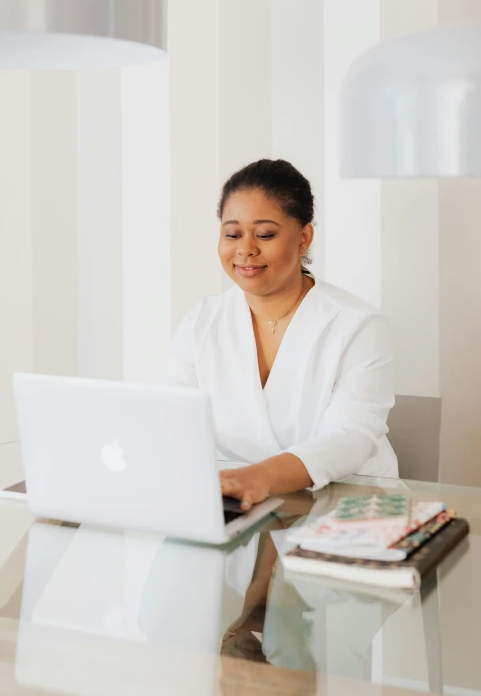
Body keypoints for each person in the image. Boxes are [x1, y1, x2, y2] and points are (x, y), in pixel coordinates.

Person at [163, 159, 398, 509]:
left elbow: (351, 436)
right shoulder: (202, 321)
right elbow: (175, 425)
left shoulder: (358, 325)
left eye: (265, 234)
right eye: (232, 234)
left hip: (350, 509)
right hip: (240, 507)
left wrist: (259, 477)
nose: (245, 249)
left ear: (304, 238)